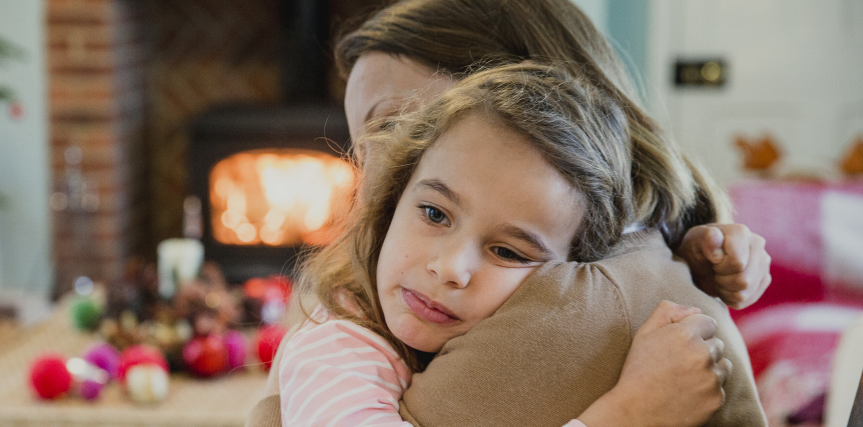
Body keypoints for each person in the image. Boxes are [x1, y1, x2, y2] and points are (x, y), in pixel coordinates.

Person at [250, 0, 774, 425]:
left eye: (393, 124)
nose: (365, 183)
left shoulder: (589, 295)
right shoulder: (347, 339)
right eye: (435, 212)